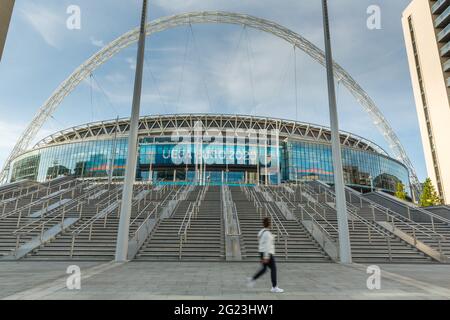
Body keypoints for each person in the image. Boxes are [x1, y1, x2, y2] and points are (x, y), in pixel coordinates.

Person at [247, 217, 284, 293]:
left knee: (264, 269)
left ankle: (252, 279)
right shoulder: (267, 233)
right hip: (267, 253)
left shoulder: (262, 231)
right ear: (269, 224)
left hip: (262, 252)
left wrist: (272, 237)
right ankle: (274, 287)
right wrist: (266, 257)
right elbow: (267, 245)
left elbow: (260, 239)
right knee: (273, 269)